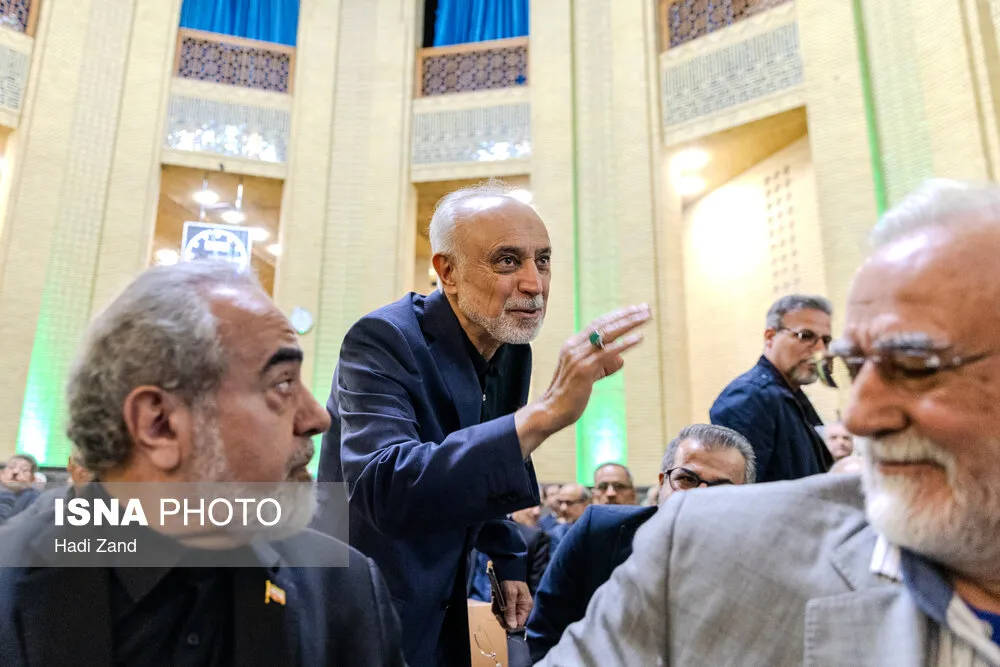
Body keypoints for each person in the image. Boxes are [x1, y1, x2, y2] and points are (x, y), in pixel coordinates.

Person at [537, 180, 1000, 665]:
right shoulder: (703, 542)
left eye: (913, 365)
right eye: (855, 365)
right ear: (769, 336)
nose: (861, 418)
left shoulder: (797, 402)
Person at [0, 262, 405, 667]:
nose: (318, 418)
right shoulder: (13, 590)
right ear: (160, 425)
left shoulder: (344, 592)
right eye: (282, 384)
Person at [317, 180, 651, 666]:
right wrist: (545, 413)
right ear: (447, 272)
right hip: (367, 603)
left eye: (543, 260)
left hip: (447, 601)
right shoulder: (382, 338)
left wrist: (507, 555)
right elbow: (385, 487)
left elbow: (487, 468)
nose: (535, 284)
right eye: (508, 261)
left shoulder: (512, 351)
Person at [526, 424, 756, 663]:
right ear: (663, 482)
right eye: (687, 479)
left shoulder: (755, 566)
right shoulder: (599, 532)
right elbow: (545, 634)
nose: (698, 495)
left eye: (721, 487)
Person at [710, 293, 835, 482]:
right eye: (805, 336)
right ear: (770, 337)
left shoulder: (790, 396)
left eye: (825, 341)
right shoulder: (749, 398)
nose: (820, 350)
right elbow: (740, 492)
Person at [0, 453, 40, 523]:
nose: (15, 472)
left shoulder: (37, 499)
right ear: (1, 474)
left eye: (24, 470)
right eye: (11, 467)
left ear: (32, 479)